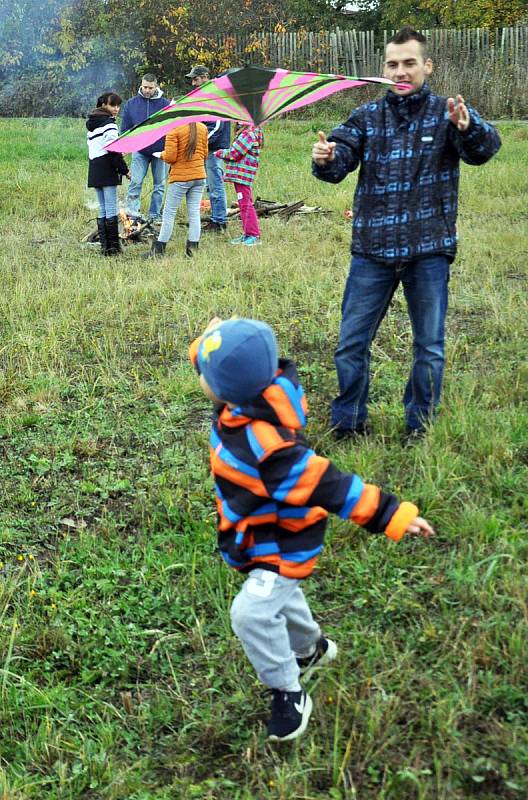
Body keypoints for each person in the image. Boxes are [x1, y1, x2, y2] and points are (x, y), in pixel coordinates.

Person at [189, 316, 434, 741]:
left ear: (225, 388)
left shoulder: (270, 448)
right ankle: (313, 649)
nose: (198, 374)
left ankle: (288, 690)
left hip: (282, 543)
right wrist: (216, 337)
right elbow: (209, 361)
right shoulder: (244, 397)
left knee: (251, 612)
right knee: (283, 597)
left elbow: (332, 485)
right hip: (255, 530)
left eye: (205, 372)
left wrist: (392, 515)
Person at [312, 26, 501, 443]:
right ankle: (348, 422)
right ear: (384, 68)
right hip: (372, 251)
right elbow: (339, 160)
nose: (400, 71)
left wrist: (469, 128)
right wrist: (326, 157)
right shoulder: (365, 117)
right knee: (350, 343)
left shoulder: (446, 113)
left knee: (428, 348)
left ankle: (420, 425)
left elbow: (485, 150)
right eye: (393, 64)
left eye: (409, 63)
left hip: (428, 250)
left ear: (426, 66)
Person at [146, 122, 208, 258]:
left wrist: (161, 154)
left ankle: (158, 251)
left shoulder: (174, 129)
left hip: (180, 178)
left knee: (169, 214)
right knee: (194, 213)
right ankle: (192, 250)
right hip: (199, 176)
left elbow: (170, 157)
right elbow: (205, 154)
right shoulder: (203, 128)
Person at [186, 65, 231, 232]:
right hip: (207, 148)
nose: (193, 83)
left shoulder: (215, 95)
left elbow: (216, 127)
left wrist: (199, 144)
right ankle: (216, 217)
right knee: (209, 186)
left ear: (205, 77)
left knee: (215, 185)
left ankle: (219, 221)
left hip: (215, 149)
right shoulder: (204, 95)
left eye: (195, 79)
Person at [86, 92, 131, 256]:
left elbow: (101, 148)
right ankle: (114, 249)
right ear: (103, 104)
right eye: (113, 105)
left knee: (103, 209)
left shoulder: (92, 122)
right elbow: (113, 151)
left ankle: (105, 248)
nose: (116, 109)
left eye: (118, 106)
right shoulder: (110, 124)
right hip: (106, 169)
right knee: (111, 208)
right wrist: (125, 170)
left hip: (94, 169)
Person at [121, 74, 168, 223]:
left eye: (150, 88)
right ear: (141, 85)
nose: (147, 90)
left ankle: (155, 216)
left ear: (156, 87)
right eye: (145, 87)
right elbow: (125, 128)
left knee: (159, 184)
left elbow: (172, 129)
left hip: (160, 151)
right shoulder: (131, 103)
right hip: (140, 150)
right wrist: (124, 145)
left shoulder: (165, 104)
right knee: (135, 182)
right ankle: (133, 214)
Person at [215, 123, 263, 246]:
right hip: (241, 174)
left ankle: (253, 235)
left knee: (246, 204)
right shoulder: (252, 131)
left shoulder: (248, 133)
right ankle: (247, 233)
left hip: (242, 174)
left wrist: (219, 153)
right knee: (244, 204)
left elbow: (234, 153)